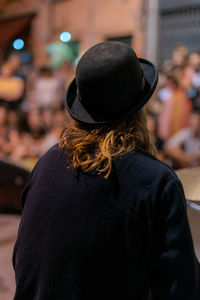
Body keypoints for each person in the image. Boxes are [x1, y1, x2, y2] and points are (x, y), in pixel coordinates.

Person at [13, 41, 200, 300]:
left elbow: (24, 263)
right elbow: (181, 289)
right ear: (139, 110)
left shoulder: (46, 164)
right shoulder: (155, 181)